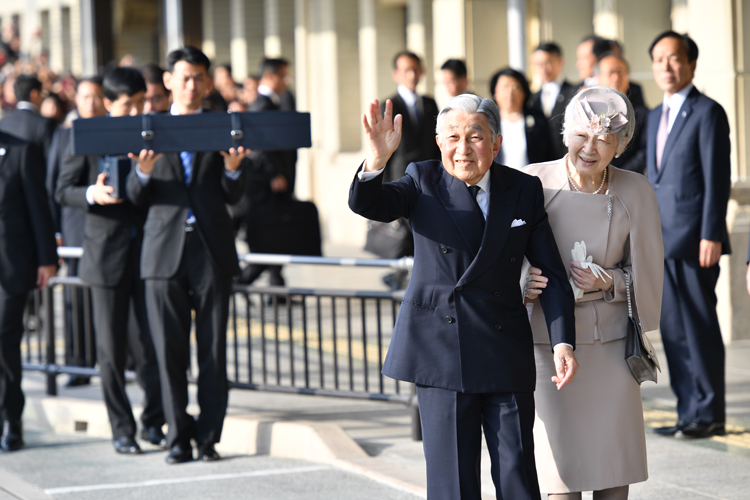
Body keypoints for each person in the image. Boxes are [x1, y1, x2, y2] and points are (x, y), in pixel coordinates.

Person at [350, 94, 578, 500]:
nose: (463, 148)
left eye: (475, 136)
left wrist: (563, 340)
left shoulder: (523, 189)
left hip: (504, 346)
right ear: (439, 143)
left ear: (496, 142)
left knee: (519, 476)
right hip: (441, 351)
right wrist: (377, 161)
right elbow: (370, 203)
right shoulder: (422, 179)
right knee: (454, 484)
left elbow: (554, 274)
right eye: (452, 137)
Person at [523, 87, 664, 500]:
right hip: (548, 346)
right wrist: (523, 282)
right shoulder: (532, 181)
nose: (590, 148)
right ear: (566, 133)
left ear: (620, 146)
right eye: (581, 136)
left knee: (611, 473)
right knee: (560, 478)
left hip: (611, 351)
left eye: (603, 139)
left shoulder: (636, 191)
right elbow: (500, 257)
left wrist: (609, 282)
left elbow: (650, 278)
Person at [127, 46, 248, 464]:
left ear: (208, 82)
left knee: (213, 353)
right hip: (162, 254)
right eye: (184, 77)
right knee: (169, 352)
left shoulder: (223, 127)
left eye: (199, 77)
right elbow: (133, 197)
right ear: (167, 81)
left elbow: (234, 195)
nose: (191, 85)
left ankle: (208, 438)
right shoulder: (149, 129)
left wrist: (233, 168)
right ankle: (177, 436)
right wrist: (142, 172)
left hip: (211, 251)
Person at [56, 67, 166, 455]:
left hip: (148, 254)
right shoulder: (86, 134)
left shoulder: (152, 132)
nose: (136, 110)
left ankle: (154, 423)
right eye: (127, 104)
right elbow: (62, 189)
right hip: (104, 258)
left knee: (149, 347)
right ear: (108, 104)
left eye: (141, 102)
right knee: (110, 351)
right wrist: (91, 193)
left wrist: (144, 174)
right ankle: (122, 430)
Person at [646, 31, 731, 439]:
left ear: (691, 64)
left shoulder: (707, 112)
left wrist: (712, 232)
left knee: (699, 328)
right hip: (661, 241)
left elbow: (717, 178)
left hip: (696, 241)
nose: (666, 66)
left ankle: (709, 412)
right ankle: (687, 412)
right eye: (659, 58)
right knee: (673, 332)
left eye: (675, 58)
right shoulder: (651, 116)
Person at [46, 76, 106, 386]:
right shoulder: (63, 136)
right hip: (74, 230)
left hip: (108, 232)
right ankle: (78, 365)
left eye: (97, 96)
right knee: (76, 302)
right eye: (85, 97)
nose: (91, 102)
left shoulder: (114, 131)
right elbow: (53, 185)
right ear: (76, 101)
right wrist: (53, 229)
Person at [0, 132, 57, 452]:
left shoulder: (20, 150)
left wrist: (47, 258)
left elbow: (39, 206)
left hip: (10, 267)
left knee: (3, 342)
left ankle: (12, 419)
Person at [239, 57, 295, 288]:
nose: (286, 81)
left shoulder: (269, 102)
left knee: (275, 235)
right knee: (269, 236)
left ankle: (276, 286)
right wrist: (274, 174)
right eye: (283, 76)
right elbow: (261, 145)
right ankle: (240, 281)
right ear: (270, 76)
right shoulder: (263, 104)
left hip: (269, 183)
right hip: (265, 185)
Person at [489, 67, 555, 169]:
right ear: (495, 93)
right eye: (505, 87)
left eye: (515, 87)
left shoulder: (538, 119)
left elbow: (550, 154)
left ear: (524, 92)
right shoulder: (488, 122)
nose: (510, 92)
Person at [596, 53, 648, 174]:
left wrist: (620, 175)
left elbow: (644, 151)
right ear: (598, 77)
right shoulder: (589, 109)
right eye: (610, 73)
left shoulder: (642, 113)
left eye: (620, 72)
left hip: (627, 179)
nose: (616, 78)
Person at [530, 42, 577, 159]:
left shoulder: (574, 93)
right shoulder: (532, 98)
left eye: (547, 62)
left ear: (560, 62)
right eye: (538, 64)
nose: (543, 68)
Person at [0, 74, 56, 161]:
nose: (42, 98)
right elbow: (51, 159)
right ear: (34, 94)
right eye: (42, 93)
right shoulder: (45, 123)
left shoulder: (4, 122)